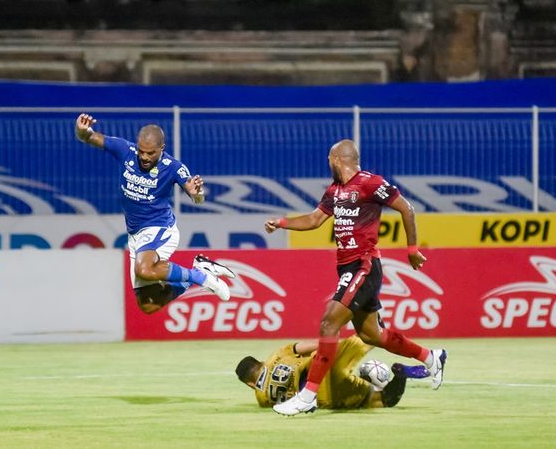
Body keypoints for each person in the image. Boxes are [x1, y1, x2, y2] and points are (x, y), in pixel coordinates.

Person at [263, 139, 446, 416]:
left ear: (337, 159)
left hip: (364, 266)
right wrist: (283, 222)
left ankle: (308, 396)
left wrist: (412, 249)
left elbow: (406, 208)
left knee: (328, 323)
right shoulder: (335, 191)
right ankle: (430, 357)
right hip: (347, 268)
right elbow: (313, 220)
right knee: (371, 334)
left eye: (329, 160)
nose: (328, 164)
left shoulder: (370, 183)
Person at [74, 113, 235, 314]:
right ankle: (200, 270)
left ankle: (201, 278)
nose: (144, 157)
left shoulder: (173, 167)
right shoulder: (125, 150)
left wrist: (197, 193)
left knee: (144, 269)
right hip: (135, 235)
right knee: (149, 305)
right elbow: (89, 137)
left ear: (162, 149)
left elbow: (196, 195)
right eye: (142, 151)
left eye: (150, 153)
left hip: (159, 228)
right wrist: (82, 131)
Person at [235, 336, 428, 411]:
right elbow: (317, 345)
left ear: (250, 384)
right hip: (320, 364)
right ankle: (378, 331)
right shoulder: (279, 353)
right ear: (260, 362)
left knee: (382, 400)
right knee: (369, 336)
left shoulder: (261, 396)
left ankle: (400, 375)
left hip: (320, 394)